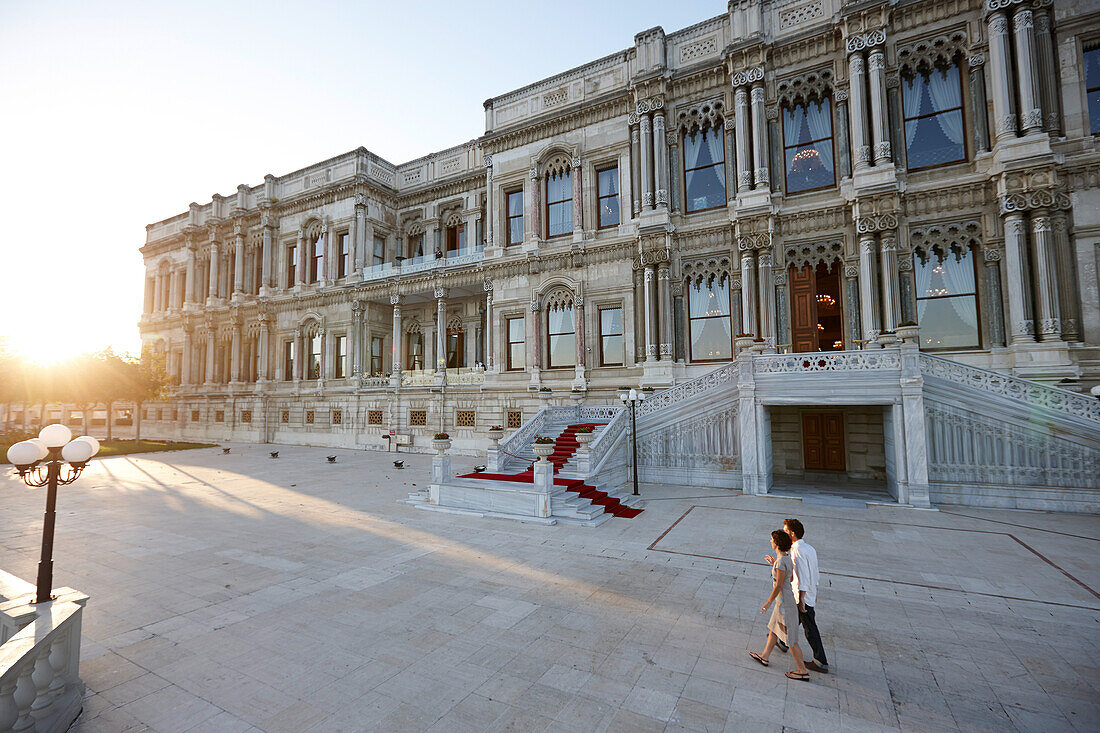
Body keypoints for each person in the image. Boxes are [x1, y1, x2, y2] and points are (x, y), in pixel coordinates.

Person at [749, 530, 810, 680]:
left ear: (777, 543)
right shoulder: (785, 560)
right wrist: (774, 566)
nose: (770, 541)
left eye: (771, 540)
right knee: (773, 629)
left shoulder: (781, 562)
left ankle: (802, 670)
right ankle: (764, 656)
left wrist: (768, 602)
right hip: (782, 604)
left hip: (785, 607)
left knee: (791, 641)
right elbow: (789, 579)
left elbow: (779, 586)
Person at [784, 518, 829, 673]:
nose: (784, 534)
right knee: (791, 620)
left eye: (786, 532)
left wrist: (802, 598)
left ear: (792, 534)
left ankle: (820, 661)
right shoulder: (809, 548)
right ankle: (782, 641)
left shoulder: (796, 551)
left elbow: (802, 576)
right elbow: (815, 572)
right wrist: (813, 591)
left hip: (801, 596)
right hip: (808, 593)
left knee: (809, 628)